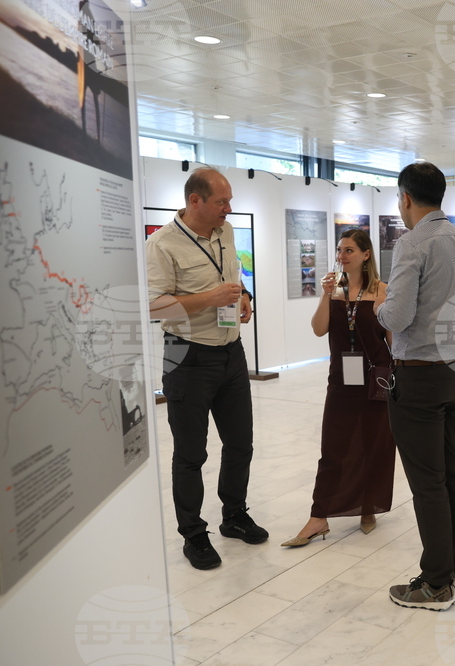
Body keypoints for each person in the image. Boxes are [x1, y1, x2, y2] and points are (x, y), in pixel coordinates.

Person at [374, 161, 455, 611]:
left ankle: (435, 583)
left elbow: (397, 318)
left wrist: (381, 306)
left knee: (428, 482)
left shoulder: (413, 243)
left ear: (405, 198)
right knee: (453, 472)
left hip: (420, 375)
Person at [146, 168, 267, 570]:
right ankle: (194, 534)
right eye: (221, 202)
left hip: (231, 353)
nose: (229, 209)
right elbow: (154, 306)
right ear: (194, 201)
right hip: (187, 356)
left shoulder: (225, 231)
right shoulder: (162, 244)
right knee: (190, 454)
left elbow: (229, 277)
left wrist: (242, 295)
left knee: (240, 444)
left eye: (229, 201)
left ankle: (234, 516)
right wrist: (209, 297)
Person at [281, 229, 396, 547]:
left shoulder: (383, 291)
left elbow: (392, 340)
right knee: (333, 447)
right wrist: (324, 294)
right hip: (342, 379)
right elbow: (319, 330)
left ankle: (368, 507)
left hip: (376, 378)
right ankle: (319, 517)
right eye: (339, 250)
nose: (342, 256)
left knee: (374, 445)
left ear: (366, 254)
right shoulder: (334, 290)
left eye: (349, 250)